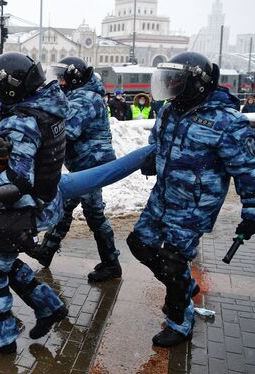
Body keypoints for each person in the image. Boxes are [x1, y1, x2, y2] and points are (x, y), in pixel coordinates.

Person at [129, 52, 255, 347]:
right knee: (139, 244)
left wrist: (251, 210)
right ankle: (185, 286)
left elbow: (247, 170)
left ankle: (180, 321)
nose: (171, 85)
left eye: (177, 79)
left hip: (195, 205)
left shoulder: (227, 122)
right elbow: (156, 143)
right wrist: (153, 160)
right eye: (168, 79)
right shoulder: (169, 111)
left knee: (173, 262)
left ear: (196, 83)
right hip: (162, 196)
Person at [0, 52, 69, 353]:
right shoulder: (44, 107)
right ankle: (49, 306)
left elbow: (17, 182)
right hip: (45, 200)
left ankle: (2, 335)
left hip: (25, 205)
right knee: (0, 259)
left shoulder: (21, 121)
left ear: (11, 87)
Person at [29, 57, 121, 281]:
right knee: (65, 207)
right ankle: (47, 251)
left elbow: (68, 130)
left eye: (62, 77)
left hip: (91, 166)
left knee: (94, 214)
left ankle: (111, 264)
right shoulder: (77, 94)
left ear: (74, 77)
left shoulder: (86, 98)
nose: (59, 82)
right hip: (83, 164)